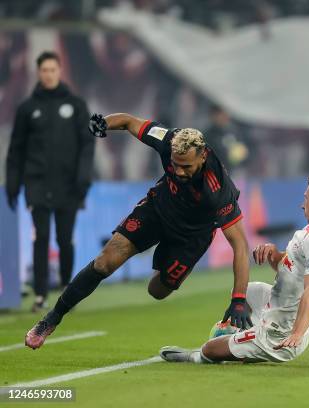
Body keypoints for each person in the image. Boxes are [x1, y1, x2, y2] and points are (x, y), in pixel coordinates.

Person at [24, 112, 252, 349]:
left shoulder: (218, 189)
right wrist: (102, 124)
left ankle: (164, 257)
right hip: (157, 211)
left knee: (157, 291)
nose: (179, 171)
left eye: (186, 167)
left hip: (191, 237)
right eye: (175, 164)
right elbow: (128, 122)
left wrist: (238, 299)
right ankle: (51, 318)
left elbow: (240, 246)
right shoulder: (169, 140)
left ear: (203, 156)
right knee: (104, 262)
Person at [159, 175, 309, 364]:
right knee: (243, 292)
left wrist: (296, 334)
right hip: (279, 303)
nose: (302, 204)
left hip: (281, 329)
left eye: (306, 198)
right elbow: (288, 267)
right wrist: (273, 254)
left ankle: (199, 355)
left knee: (210, 349)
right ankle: (243, 340)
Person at [5, 51, 94, 312]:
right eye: (44, 70)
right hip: (37, 185)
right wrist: (13, 183)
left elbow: (87, 145)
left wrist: (83, 177)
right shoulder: (27, 108)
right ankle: (41, 295)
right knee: (40, 237)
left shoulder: (76, 105)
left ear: (59, 71)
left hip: (69, 185)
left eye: (53, 70)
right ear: (38, 73)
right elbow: (16, 149)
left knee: (64, 239)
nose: (49, 74)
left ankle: (66, 288)